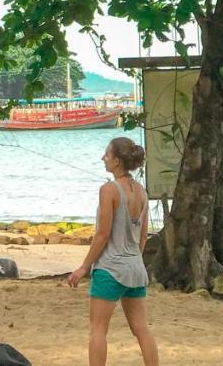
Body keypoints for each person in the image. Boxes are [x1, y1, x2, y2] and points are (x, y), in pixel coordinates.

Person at [67, 137, 159, 366]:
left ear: (117, 161)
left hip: (110, 268)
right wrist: (135, 258)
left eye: (107, 155)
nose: (103, 159)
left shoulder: (109, 189)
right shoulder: (142, 191)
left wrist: (84, 266)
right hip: (135, 268)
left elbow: (102, 234)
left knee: (98, 330)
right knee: (141, 329)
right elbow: (143, 235)